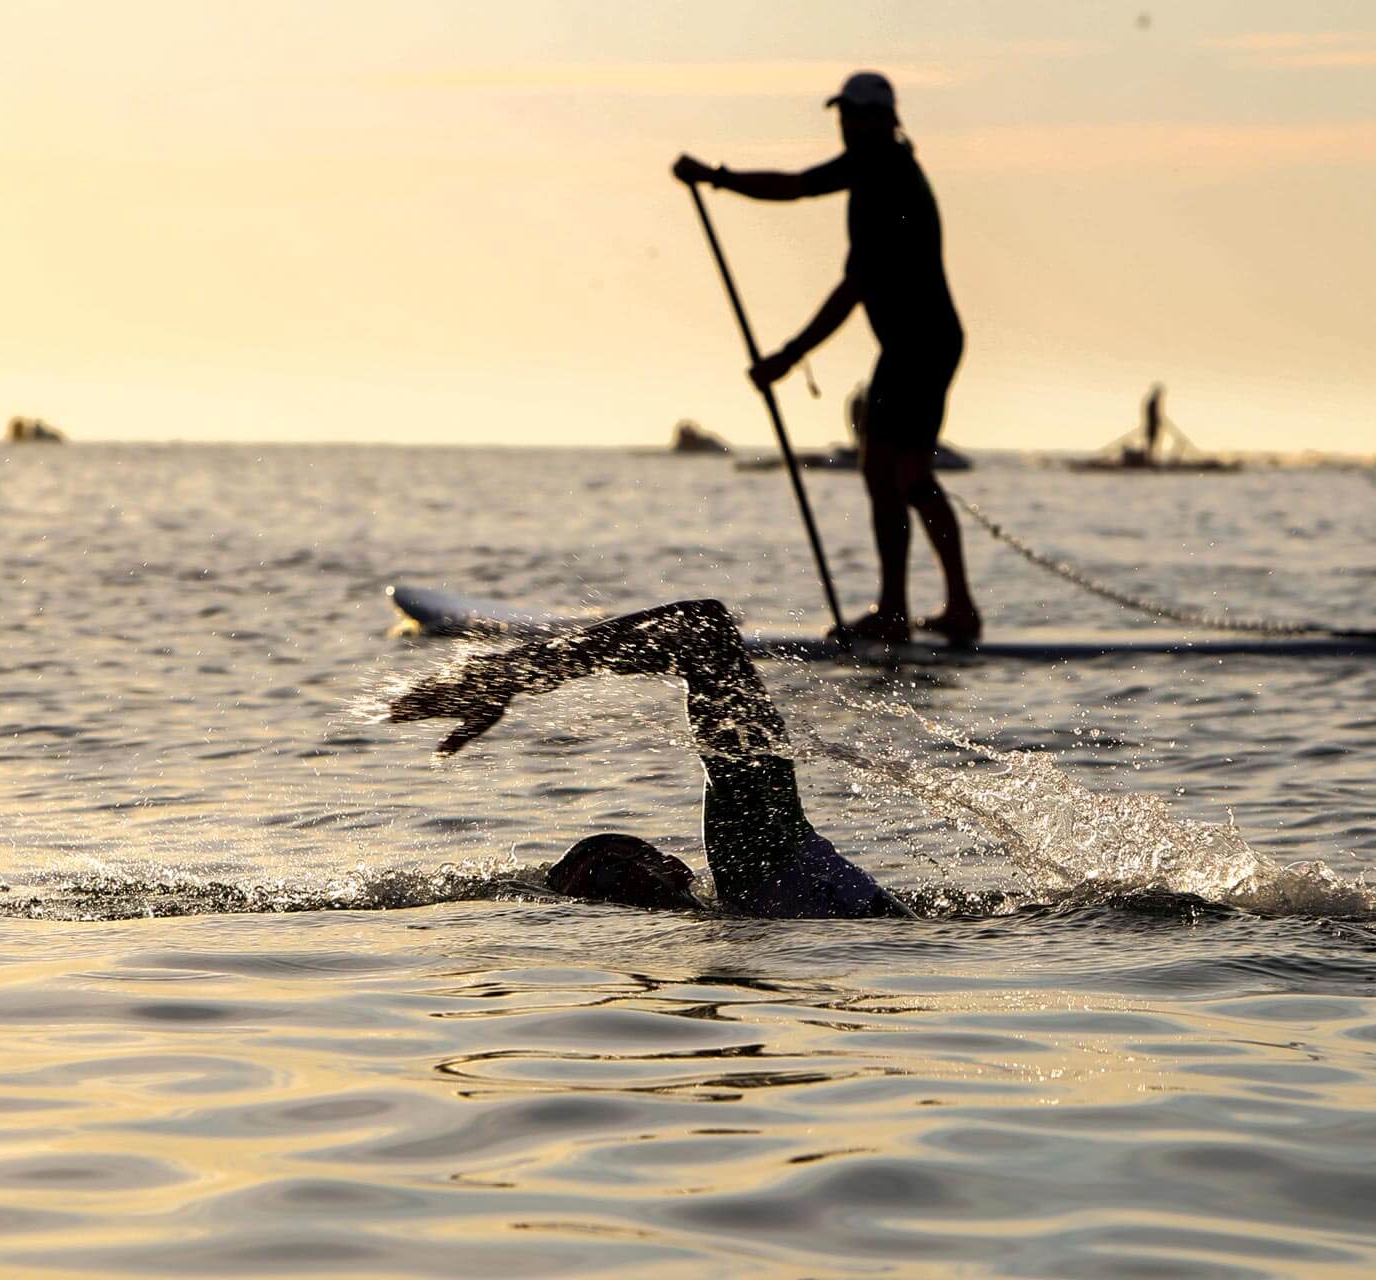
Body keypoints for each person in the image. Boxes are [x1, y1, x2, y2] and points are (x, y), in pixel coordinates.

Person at [674, 71, 980, 646]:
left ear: (886, 120)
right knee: (891, 473)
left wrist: (787, 357)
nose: (849, 124)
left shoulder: (891, 178)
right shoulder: (867, 167)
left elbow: (854, 288)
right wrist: (716, 178)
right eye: (844, 115)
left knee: (904, 474)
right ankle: (924, 609)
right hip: (910, 344)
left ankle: (927, 610)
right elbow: (794, 185)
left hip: (924, 343)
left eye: (860, 115)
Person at [387, 599, 909, 919]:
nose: (634, 880)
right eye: (616, 882)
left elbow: (704, 630)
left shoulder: (759, 859)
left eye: (624, 872)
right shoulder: (759, 877)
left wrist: (519, 672)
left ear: (677, 870)